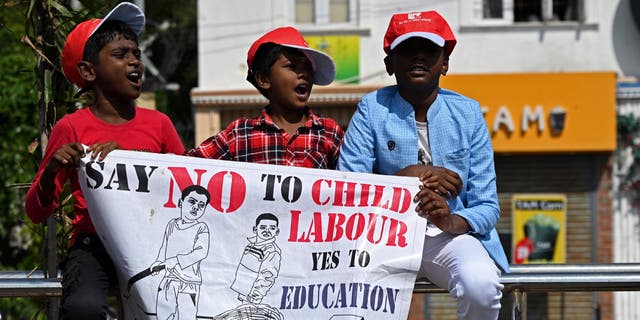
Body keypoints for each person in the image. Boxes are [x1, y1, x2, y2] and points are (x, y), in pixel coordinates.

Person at [337, 11, 509, 320]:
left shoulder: (468, 112)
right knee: (350, 303)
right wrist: (408, 178)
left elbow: (487, 205)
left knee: (481, 287)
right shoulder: (371, 109)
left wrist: (452, 220)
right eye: (407, 49)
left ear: (444, 62)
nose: (418, 57)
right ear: (390, 63)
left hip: (448, 238)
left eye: (429, 50)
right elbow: (349, 189)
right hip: (381, 236)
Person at [24, 3, 185, 319]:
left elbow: (185, 186)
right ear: (88, 71)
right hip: (93, 243)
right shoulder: (71, 127)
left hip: (153, 243)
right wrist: (52, 170)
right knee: (82, 308)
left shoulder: (160, 124)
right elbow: (35, 210)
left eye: (135, 53)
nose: (134, 60)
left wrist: (128, 159)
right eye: (120, 54)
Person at [186, 27, 343, 169]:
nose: (304, 74)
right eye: (292, 66)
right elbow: (187, 167)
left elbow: (355, 180)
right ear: (264, 79)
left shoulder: (328, 131)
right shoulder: (239, 134)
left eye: (308, 68)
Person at [151, 185, 210, 319]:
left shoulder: (201, 227)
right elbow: (164, 246)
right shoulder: (172, 224)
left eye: (201, 205)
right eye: (192, 202)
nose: (196, 207)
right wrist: (159, 262)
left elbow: (201, 252)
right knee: (163, 315)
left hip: (189, 283)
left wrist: (177, 260)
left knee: (186, 316)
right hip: (168, 278)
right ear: (180, 202)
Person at [231, 213, 282, 304]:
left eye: (272, 228)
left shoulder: (271, 251)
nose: (267, 231)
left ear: (277, 232)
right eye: (263, 227)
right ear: (255, 229)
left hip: (253, 295)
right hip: (243, 291)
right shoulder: (251, 245)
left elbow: (268, 276)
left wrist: (257, 294)